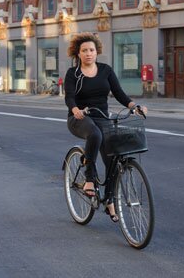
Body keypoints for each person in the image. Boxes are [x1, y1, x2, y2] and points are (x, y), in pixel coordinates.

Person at [64, 32, 147, 223]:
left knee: (113, 160)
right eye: (84, 50)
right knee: (94, 134)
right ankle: (90, 180)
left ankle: (109, 200)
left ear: (96, 51)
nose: (88, 53)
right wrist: (75, 109)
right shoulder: (73, 74)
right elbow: (69, 96)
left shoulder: (106, 70)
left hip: (102, 117)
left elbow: (119, 93)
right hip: (80, 118)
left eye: (91, 50)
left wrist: (134, 106)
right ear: (78, 53)